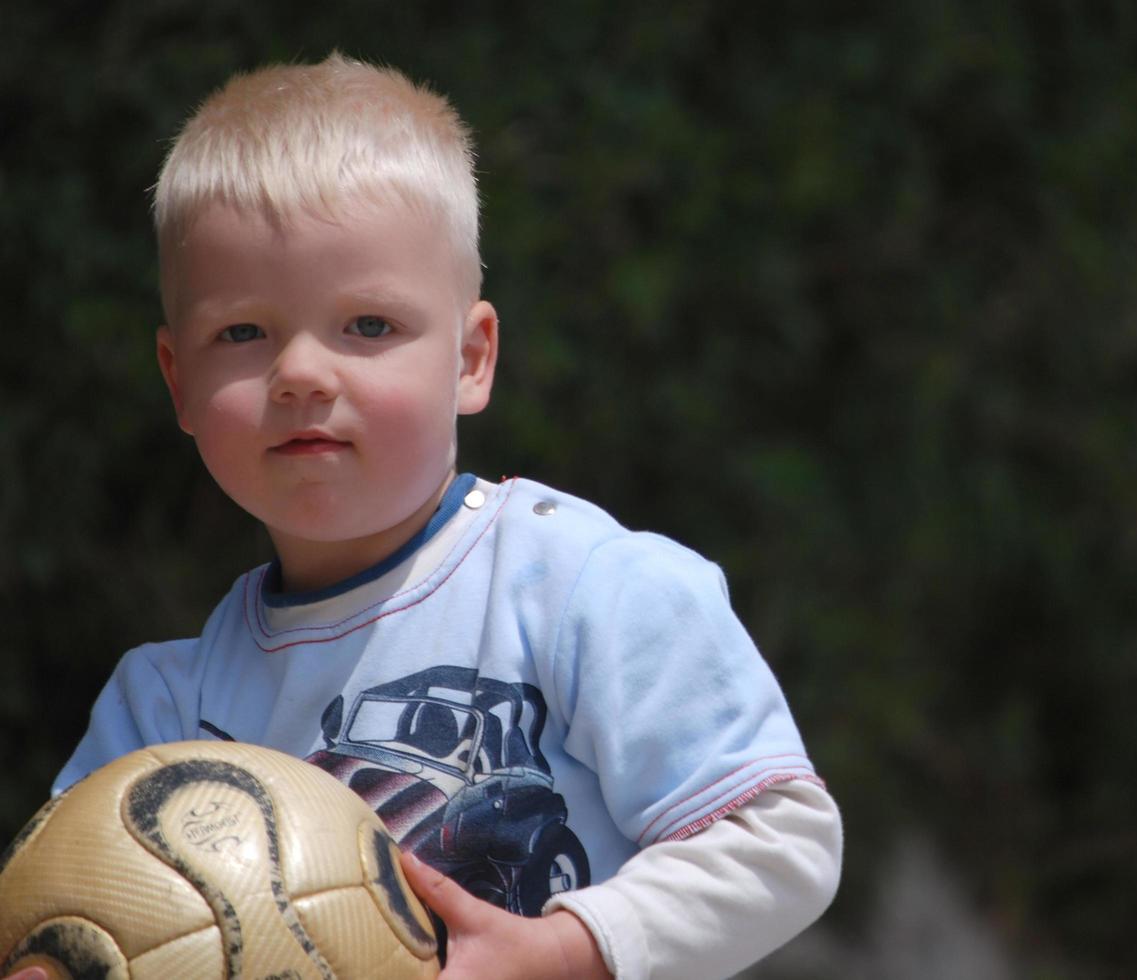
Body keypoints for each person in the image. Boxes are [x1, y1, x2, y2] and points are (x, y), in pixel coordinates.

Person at [30, 53, 841, 980]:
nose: (301, 372)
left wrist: (569, 949)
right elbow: (71, 920)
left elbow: (782, 838)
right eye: (243, 333)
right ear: (179, 380)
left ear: (470, 357)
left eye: (368, 326)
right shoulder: (165, 712)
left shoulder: (577, 589)